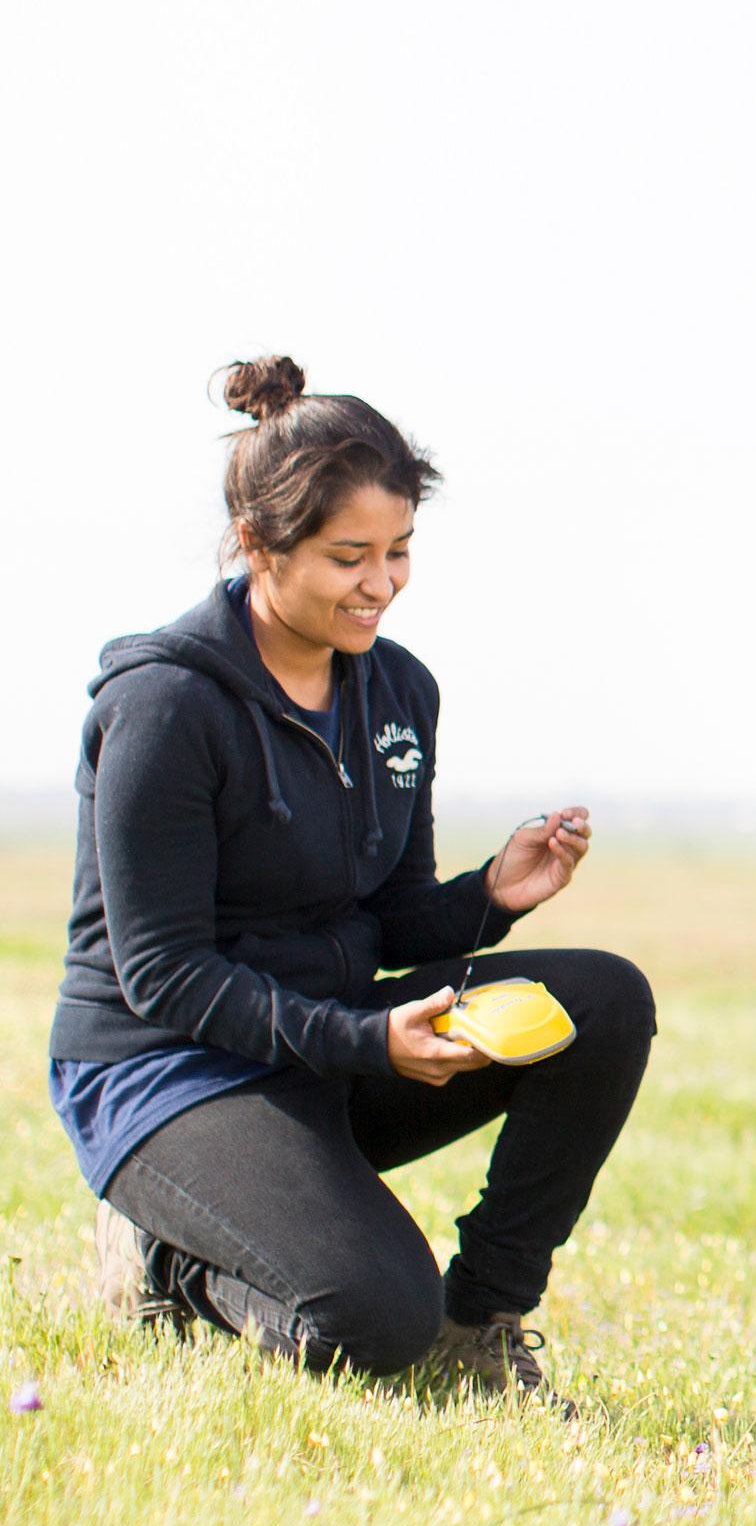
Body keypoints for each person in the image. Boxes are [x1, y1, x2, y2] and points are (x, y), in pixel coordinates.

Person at [50, 355, 655, 1413]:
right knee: (370, 1322)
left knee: (602, 1001)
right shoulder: (164, 708)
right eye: (348, 557)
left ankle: (480, 1324)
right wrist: (364, 1043)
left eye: (400, 551)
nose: (381, 582)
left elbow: (383, 915)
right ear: (257, 545)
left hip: (322, 1037)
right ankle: (167, 1262)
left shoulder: (396, 688)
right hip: (171, 1073)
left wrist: (490, 896)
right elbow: (162, 975)